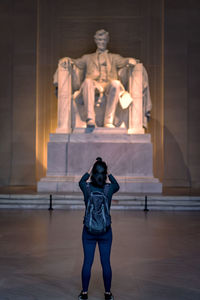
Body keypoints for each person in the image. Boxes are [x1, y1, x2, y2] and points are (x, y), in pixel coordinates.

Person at [59, 29, 138, 128]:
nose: (102, 42)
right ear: (96, 41)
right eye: (100, 40)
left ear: (107, 41)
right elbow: (76, 62)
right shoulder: (88, 57)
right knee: (87, 82)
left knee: (116, 84)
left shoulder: (114, 57)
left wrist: (130, 60)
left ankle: (108, 121)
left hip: (108, 85)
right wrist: (67, 59)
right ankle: (90, 119)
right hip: (93, 84)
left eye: (104, 40)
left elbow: (123, 61)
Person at [78, 157, 120, 300]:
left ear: (93, 173)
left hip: (88, 231)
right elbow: (117, 185)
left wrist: (90, 170)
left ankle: (84, 294)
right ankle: (108, 294)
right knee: (106, 263)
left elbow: (80, 181)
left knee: (87, 262)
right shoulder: (109, 189)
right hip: (105, 232)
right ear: (105, 173)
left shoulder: (87, 188)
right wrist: (108, 173)